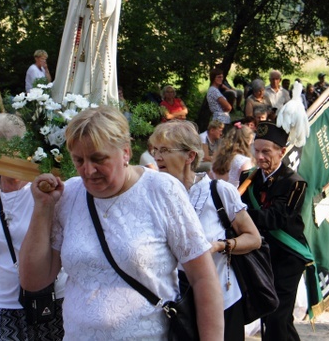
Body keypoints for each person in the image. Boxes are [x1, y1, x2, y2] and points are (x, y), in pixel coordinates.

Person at [19, 106, 224, 340]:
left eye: (99, 158)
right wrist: (42, 209)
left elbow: (203, 278)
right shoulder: (69, 195)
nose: (88, 170)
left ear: (125, 152)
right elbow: (33, 281)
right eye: (79, 160)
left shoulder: (162, 190)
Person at [149, 120, 261, 341]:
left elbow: (254, 238)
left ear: (190, 156)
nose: (157, 157)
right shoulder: (152, 195)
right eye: (155, 150)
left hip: (223, 302)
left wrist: (221, 245)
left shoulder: (219, 192)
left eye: (165, 150)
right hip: (173, 307)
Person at [0, 114, 64, 340]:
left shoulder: (47, 188)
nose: (6, 159)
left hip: (51, 300)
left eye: (11, 151)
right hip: (1, 304)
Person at [239, 119, 310, 341]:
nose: (260, 157)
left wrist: (237, 214)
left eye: (266, 152)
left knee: (277, 315)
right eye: (257, 150)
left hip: (287, 256)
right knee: (269, 315)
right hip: (260, 255)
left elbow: (276, 218)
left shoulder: (295, 183)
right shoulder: (247, 178)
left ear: (282, 152)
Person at [51, 0, 121, 105]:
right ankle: (71, 95)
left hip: (99, 31)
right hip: (82, 25)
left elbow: (111, 5)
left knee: (94, 63)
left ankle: (92, 99)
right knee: (76, 59)